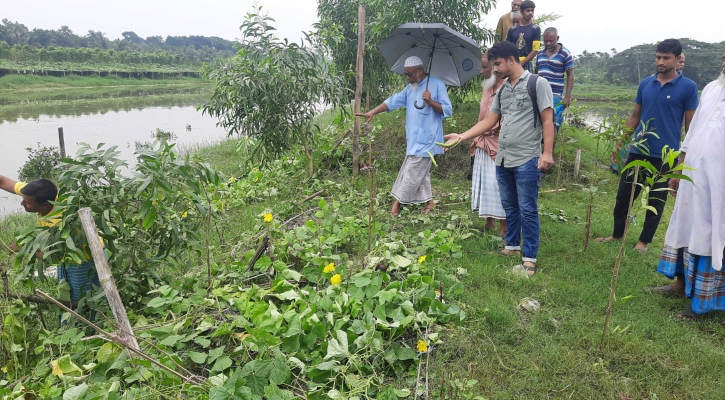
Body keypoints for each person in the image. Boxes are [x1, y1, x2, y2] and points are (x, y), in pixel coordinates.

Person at [443, 41, 555, 276]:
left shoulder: (537, 83)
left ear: (511, 60)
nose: (494, 69)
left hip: (527, 158)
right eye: (492, 65)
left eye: (497, 64)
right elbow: (489, 121)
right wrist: (461, 136)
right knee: (510, 206)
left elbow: (547, 120)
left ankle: (530, 258)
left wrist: (547, 153)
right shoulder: (503, 90)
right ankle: (512, 246)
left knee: (527, 209)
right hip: (503, 158)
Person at [596, 39, 698, 252]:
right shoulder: (646, 83)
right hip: (638, 151)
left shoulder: (688, 87)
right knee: (624, 195)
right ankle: (617, 234)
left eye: (666, 58)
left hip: (665, 155)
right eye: (658, 57)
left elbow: (691, 127)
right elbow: (635, 116)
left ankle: (643, 242)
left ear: (678, 59)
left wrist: (682, 161)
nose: (660, 61)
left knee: (656, 200)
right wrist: (619, 143)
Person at [647, 51, 725, 321]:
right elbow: (692, 132)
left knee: (710, 233)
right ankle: (680, 285)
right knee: (685, 224)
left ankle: (703, 302)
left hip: (720, 183)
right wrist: (679, 168)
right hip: (694, 174)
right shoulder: (713, 88)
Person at [357, 56, 453, 216]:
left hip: (428, 139)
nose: (407, 78)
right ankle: (430, 202)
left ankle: (397, 205)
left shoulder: (437, 85)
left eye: (409, 74)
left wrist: (430, 102)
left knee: (411, 172)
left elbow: (448, 110)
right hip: (413, 139)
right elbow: (394, 101)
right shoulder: (411, 88)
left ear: (420, 71)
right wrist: (373, 111)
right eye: (405, 75)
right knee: (419, 172)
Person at [0, 174, 100, 305]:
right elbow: (3, 181)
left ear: (44, 206)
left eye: (28, 203)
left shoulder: (59, 222)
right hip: (64, 252)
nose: (22, 203)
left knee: (81, 299)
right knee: (65, 290)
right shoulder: (36, 193)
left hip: (82, 257)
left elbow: (51, 256)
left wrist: (23, 248)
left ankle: (85, 321)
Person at [471, 55, 507, 237]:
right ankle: (489, 221)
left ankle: (504, 227)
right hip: (482, 141)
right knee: (485, 181)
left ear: (495, 68)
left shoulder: (507, 89)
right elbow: (482, 117)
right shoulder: (486, 88)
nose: (482, 71)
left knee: (498, 184)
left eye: (485, 67)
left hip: (498, 142)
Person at [535, 27, 574, 111]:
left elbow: (570, 75)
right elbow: (536, 72)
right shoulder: (540, 53)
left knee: (554, 121)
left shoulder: (565, 53)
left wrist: (567, 97)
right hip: (540, 94)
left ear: (557, 38)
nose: (548, 43)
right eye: (545, 41)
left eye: (551, 41)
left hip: (555, 96)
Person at [506, 0, 541, 72]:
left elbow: (535, 50)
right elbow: (507, 48)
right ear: (521, 12)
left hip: (527, 64)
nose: (530, 13)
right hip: (513, 63)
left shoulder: (536, 29)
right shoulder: (512, 29)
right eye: (528, 10)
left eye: (532, 11)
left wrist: (522, 63)